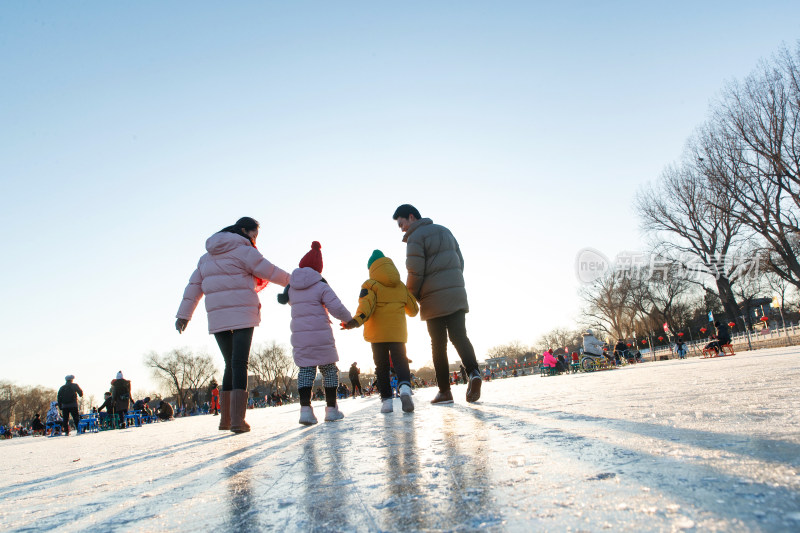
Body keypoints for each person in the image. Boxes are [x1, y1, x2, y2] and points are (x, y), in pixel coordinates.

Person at [176, 216, 290, 434]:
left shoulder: (205, 258)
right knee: (239, 363)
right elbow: (270, 271)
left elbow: (193, 287)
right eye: (254, 235)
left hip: (218, 317)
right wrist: (296, 280)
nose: (255, 240)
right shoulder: (245, 250)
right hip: (242, 313)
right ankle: (238, 420)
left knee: (230, 363)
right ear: (244, 231)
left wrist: (183, 316)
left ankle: (226, 420)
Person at [393, 204, 482, 404]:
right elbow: (460, 261)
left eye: (401, 224)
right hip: (457, 291)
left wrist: (410, 298)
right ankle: (474, 372)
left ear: (411, 217)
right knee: (460, 336)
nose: (402, 229)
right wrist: (454, 283)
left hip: (432, 298)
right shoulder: (445, 230)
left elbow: (415, 271)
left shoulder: (415, 237)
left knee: (438, 345)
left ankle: (444, 391)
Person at [277, 241, 352, 425]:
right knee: (329, 371)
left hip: (301, 338)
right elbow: (336, 307)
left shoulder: (292, 287)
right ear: (319, 267)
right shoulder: (320, 284)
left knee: (306, 371)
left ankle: (305, 411)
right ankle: (332, 409)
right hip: (321, 337)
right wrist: (349, 320)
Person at [343, 250, 419, 414]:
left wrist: (355, 322)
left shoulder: (370, 285)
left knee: (382, 366)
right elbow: (413, 310)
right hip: (398, 333)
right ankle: (405, 387)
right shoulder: (400, 285)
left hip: (377, 335)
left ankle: (386, 402)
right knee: (400, 361)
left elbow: (365, 307)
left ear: (372, 268)